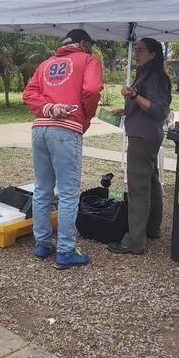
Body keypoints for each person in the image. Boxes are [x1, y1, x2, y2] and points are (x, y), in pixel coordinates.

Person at [23, 28, 103, 269]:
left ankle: (42, 243)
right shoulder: (89, 61)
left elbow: (28, 93)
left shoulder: (46, 63)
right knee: (68, 193)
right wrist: (85, 116)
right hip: (66, 129)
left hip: (40, 129)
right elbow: (90, 90)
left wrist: (47, 108)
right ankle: (66, 251)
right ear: (85, 44)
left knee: (42, 189)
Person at [107, 37, 171, 255]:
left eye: (141, 50)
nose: (137, 53)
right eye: (137, 50)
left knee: (137, 189)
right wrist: (125, 109)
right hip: (146, 135)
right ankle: (151, 228)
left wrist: (134, 94)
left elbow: (158, 109)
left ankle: (135, 241)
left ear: (153, 54)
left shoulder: (154, 77)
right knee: (151, 182)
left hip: (142, 138)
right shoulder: (146, 74)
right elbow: (145, 104)